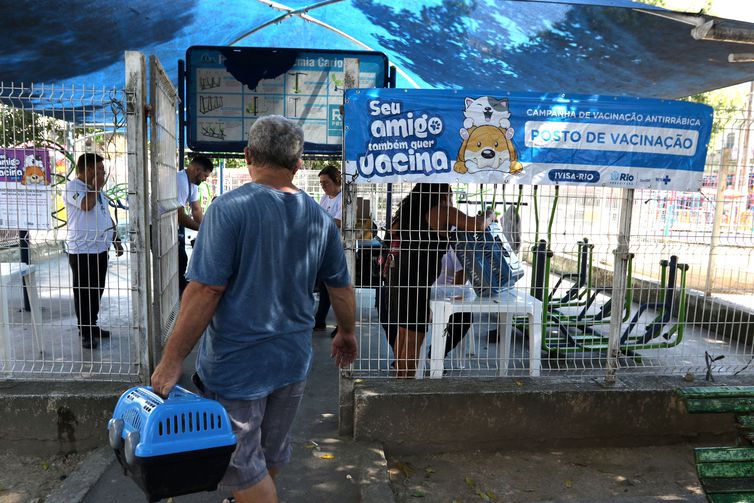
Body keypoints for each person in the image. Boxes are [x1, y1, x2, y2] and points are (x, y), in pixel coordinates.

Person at [151, 115, 357, 503]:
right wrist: (346, 332)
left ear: (247, 155)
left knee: (242, 466)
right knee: (268, 454)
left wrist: (172, 358)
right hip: (292, 360)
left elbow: (205, 290)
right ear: (299, 164)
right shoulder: (319, 218)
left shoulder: (227, 209)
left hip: (236, 365)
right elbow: (341, 288)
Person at [387, 183, 493, 378]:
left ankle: (398, 381)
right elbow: (477, 225)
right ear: (444, 194)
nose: (452, 201)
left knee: (402, 336)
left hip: (399, 278)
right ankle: (404, 390)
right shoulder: (441, 211)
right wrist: (490, 215)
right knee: (413, 342)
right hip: (416, 282)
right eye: (450, 196)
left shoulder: (409, 212)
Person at [64, 153, 124, 349]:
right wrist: (96, 186)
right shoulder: (73, 188)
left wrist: (116, 239)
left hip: (100, 249)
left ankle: (93, 324)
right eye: (100, 169)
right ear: (89, 170)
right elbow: (86, 206)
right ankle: (85, 331)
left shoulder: (98, 191)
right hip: (82, 250)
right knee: (84, 292)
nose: (103, 173)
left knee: (97, 290)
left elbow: (105, 215)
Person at [177, 155, 213, 295]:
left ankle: (181, 290)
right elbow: (179, 216)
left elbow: (196, 210)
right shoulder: (180, 181)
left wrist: (207, 228)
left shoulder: (193, 185)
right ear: (196, 169)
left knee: (182, 258)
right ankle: (181, 293)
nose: (205, 179)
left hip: (170, 228)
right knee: (180, 259)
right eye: (204, 175)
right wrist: (202, 229)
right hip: (155, 226)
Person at [314, 165, 342, 332]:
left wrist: (323, 220)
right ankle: (320, 319)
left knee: (336, 289)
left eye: (326, 183)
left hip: (338, 249)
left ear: (336, 181)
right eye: (321, 183)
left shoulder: (342, 198)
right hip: (323, 247)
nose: (323, 186)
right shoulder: (325, 198)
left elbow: (339, 222)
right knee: (324, 287)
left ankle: (340, 324)